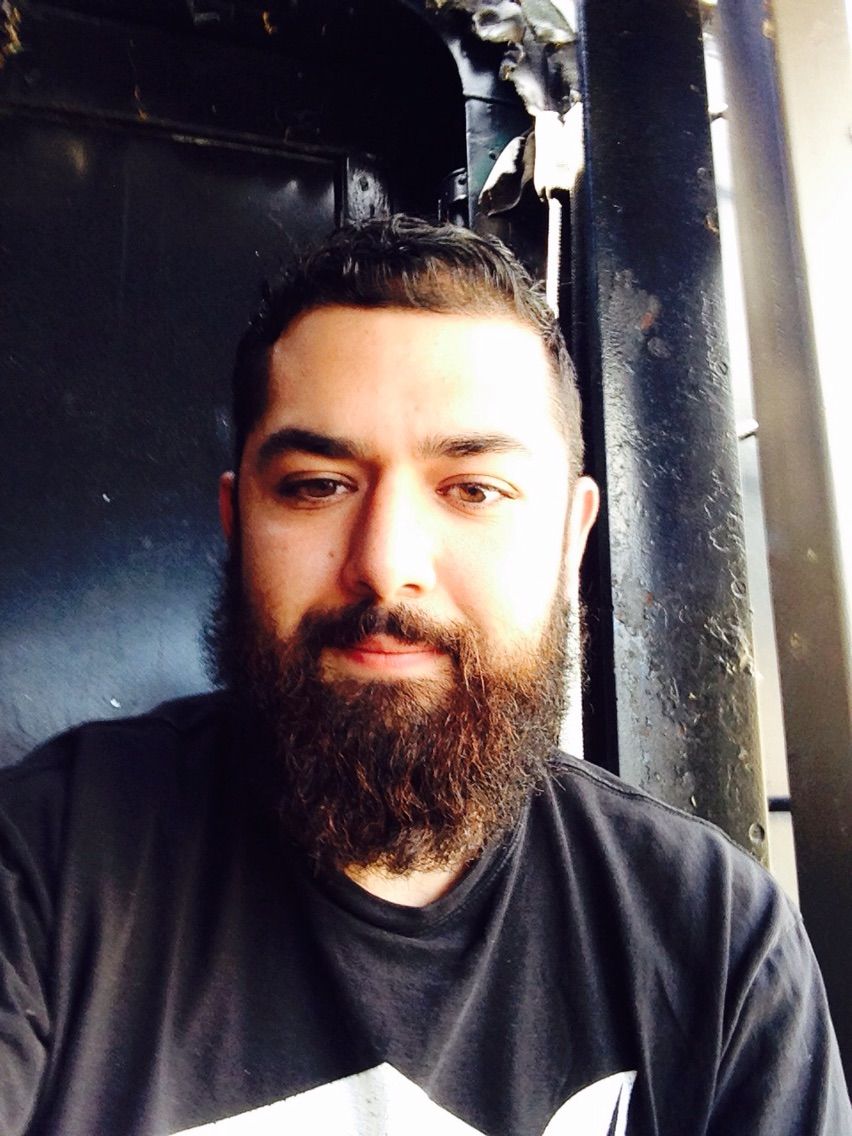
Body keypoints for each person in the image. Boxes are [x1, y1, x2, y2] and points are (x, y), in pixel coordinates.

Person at [0, 215, 848, 1136]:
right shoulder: (40, 865)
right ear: (237, 522)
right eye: (317, 484)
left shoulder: (715, 940)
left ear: (571, 536)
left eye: (474, 489)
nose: (386, 563)